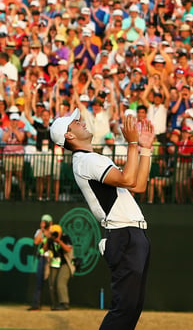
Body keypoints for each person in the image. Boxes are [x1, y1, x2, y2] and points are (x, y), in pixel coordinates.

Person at [50, 109, 154, 330]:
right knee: (125, 309)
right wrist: (133, 144)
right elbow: (128, 179)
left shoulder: (89, 159)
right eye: (75, 123)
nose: (81, 123)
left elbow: (138, 185)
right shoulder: (86, 160)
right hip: (123, 234)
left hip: (130, 234)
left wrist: (144, 149)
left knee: (131, 308)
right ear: (69, 136)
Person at [45, 224, 74, 311]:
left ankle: (64, 303)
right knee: (52, 284)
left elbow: (68, 249)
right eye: (52, 233)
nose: (54, 235)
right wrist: (48, 239)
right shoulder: (50, 239)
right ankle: (55, 304)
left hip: (65, 264)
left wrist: (59, 241)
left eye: (55, 233)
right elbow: (45, 249)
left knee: (60, 282)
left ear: (60, 232)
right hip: (54, 263)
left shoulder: (65, 238)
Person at [29, 214, 53, 311]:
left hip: (52, 259)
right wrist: (42, 231)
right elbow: (36, 242)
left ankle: (55, 304)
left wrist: (48, 231)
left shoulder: (54, 230)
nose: (44, 224)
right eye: (43, 222)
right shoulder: (39, 232)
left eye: (46, 222)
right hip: (42, 258)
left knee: (53, 282)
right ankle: (36, 304)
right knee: (39, 281)